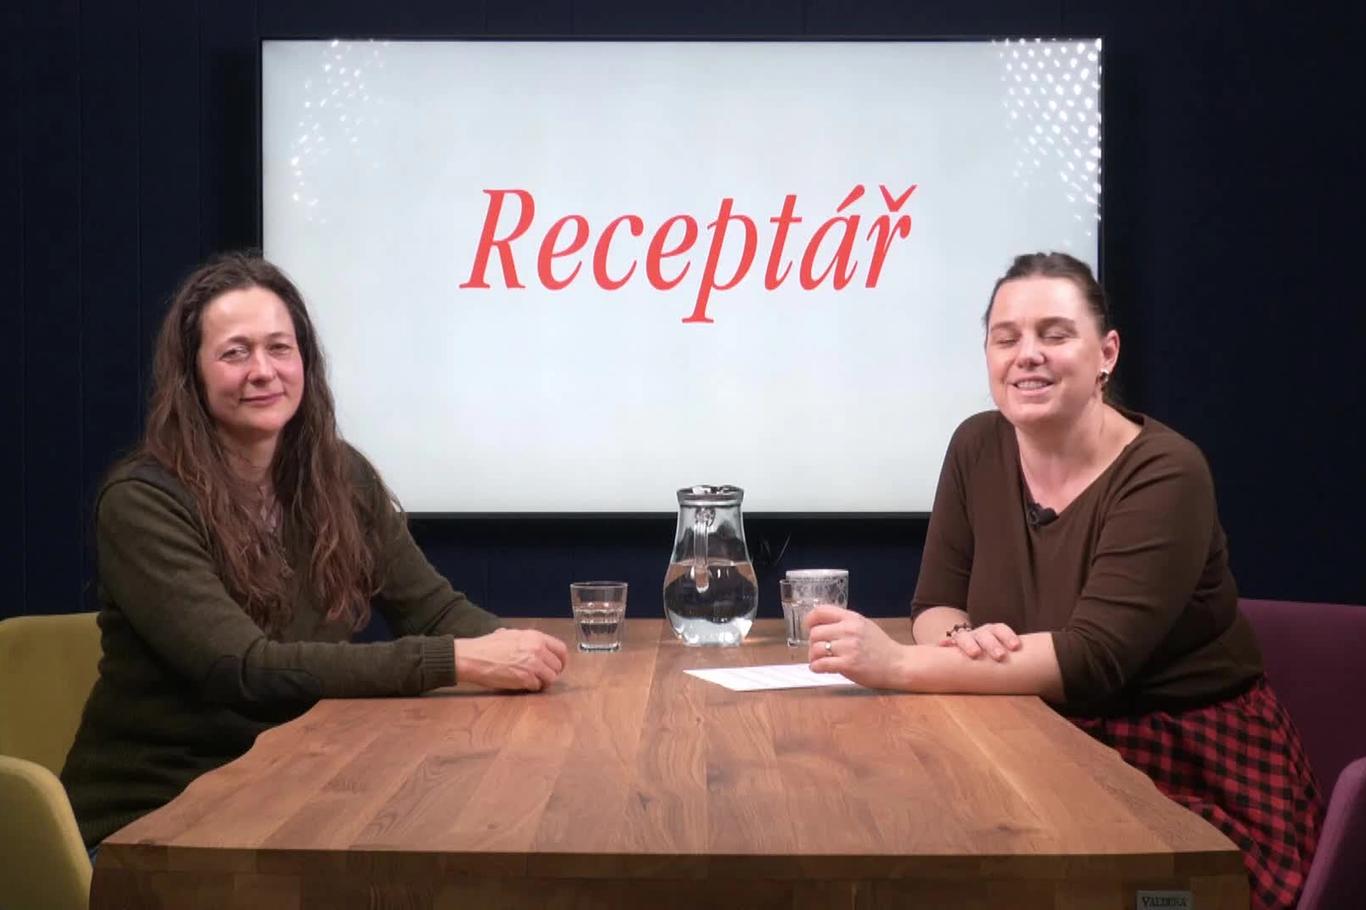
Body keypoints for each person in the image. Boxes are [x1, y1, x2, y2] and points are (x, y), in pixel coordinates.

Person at [805, 252, 1321, 910]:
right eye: (1006, 338)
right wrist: (964, 640)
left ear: (1106, 354)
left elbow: (1093, 659)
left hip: (1178, 763)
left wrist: (902, 665)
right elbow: (936, 602)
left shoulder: (1168, 472)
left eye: (1054, 334)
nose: (1028, 355)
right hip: (1029, 729)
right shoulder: (975, 445)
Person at [61, 252, 568, 853]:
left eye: (279, 348)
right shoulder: (142, 500)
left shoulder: (340, 475)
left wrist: (530, 659)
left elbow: (434, 611)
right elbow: (244, 669)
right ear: (191, 376)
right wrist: (456, 661)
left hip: (293, 793)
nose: (262, 371)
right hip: (152, 824)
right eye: (234, 353)